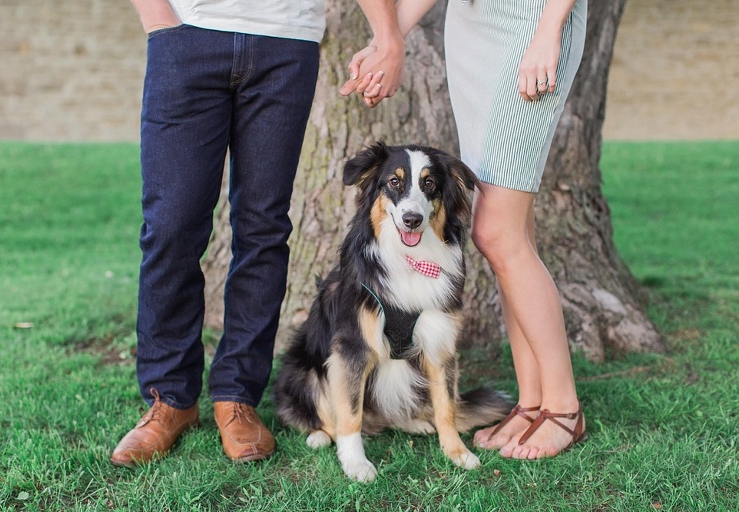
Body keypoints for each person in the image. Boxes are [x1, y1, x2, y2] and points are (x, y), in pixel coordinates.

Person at [111, 0, 405, 467]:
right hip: (187, 36)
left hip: (287, 42)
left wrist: (388, 37)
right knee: (171, 225)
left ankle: (236, 396)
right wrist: (160, 22)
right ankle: (169, 398)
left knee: (263, 227)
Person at [340, 0, 588, 459]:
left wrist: (550, 28)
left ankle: (564, 408)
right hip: (473, 29)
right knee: (515, 232)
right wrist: (387, 40)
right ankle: (532, 403)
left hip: (530, 22)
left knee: (495, 232)